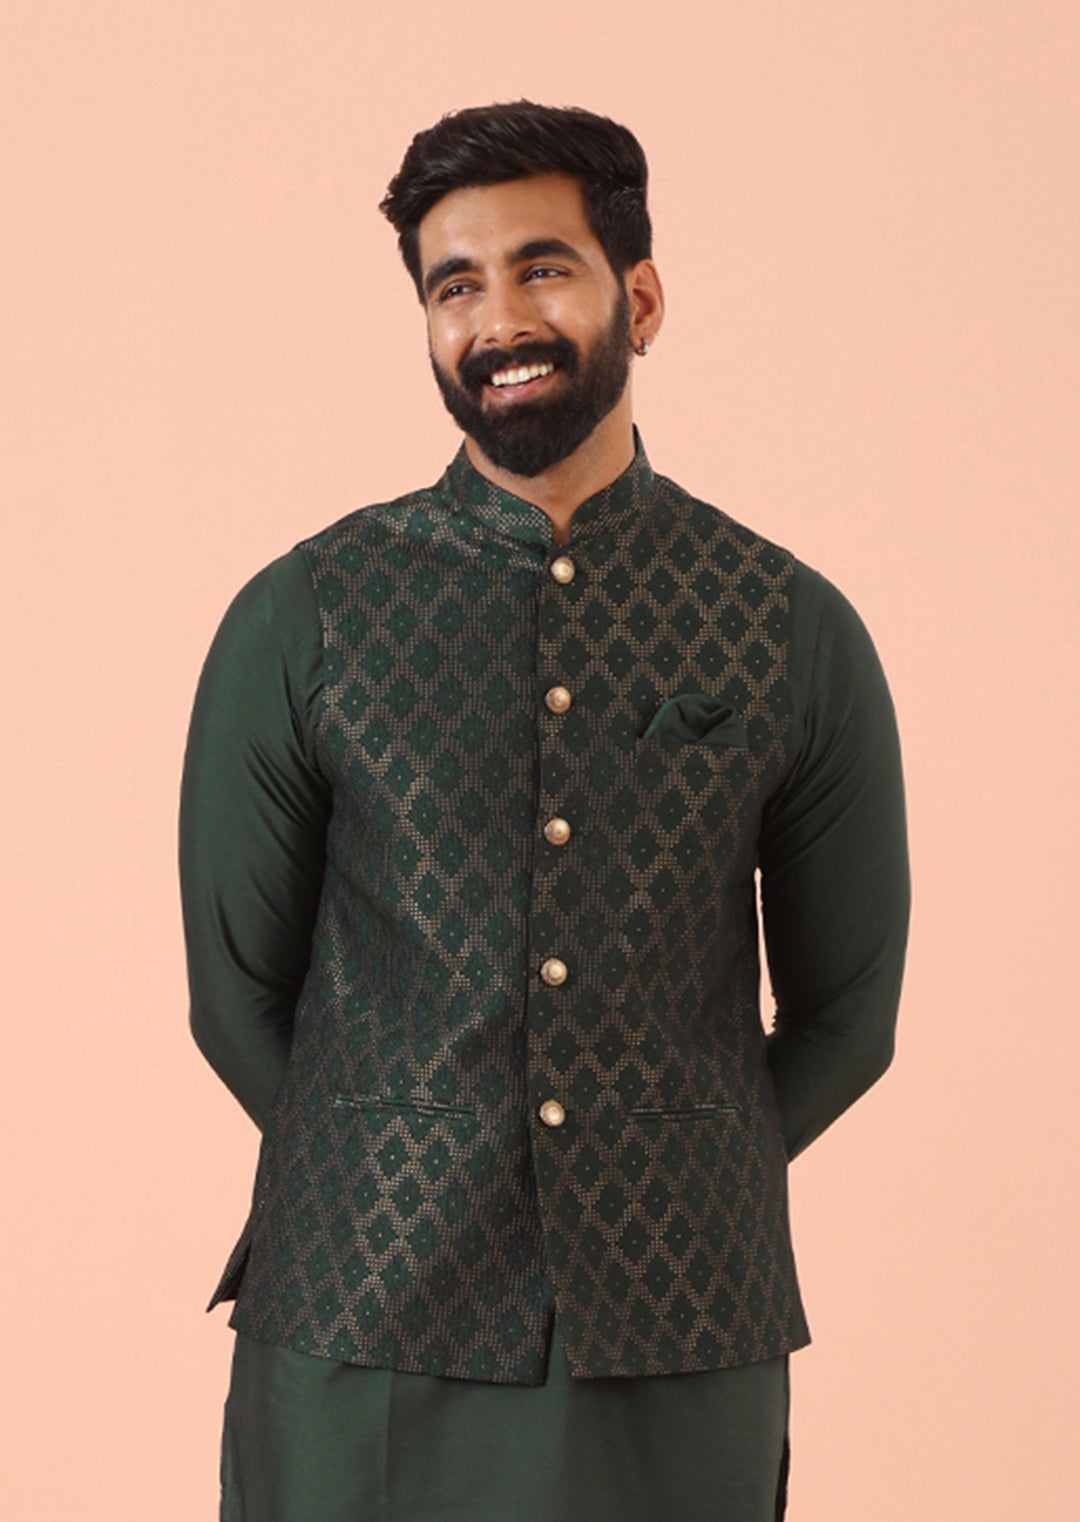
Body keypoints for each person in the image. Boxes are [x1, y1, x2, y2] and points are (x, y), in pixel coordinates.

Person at [179, 100, 910, 1522]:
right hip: (354, 1321)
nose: (499, 319)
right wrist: (390, 1161)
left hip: (681, 1326)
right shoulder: (304, 615)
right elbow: (234, 996)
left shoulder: (786, 625)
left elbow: (848, 1016)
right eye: (454, 286)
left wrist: (669, 1168)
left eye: (543, 268)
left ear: (642, 297)